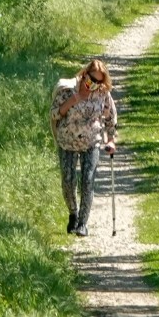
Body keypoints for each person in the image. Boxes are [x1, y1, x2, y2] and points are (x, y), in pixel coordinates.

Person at [51, 58, 117, 237]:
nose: (93, 84)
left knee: (88, 180)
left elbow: (110, 118)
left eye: (98, 81)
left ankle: (83, 223)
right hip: (67, 141)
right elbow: (55, 114)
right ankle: (73, 213)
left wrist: (110, 140)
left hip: (91, 142)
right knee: (68, 181)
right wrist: (74, 100)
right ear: (85, 74)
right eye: (91, 79)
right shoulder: (67, 90)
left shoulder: (102, 94)